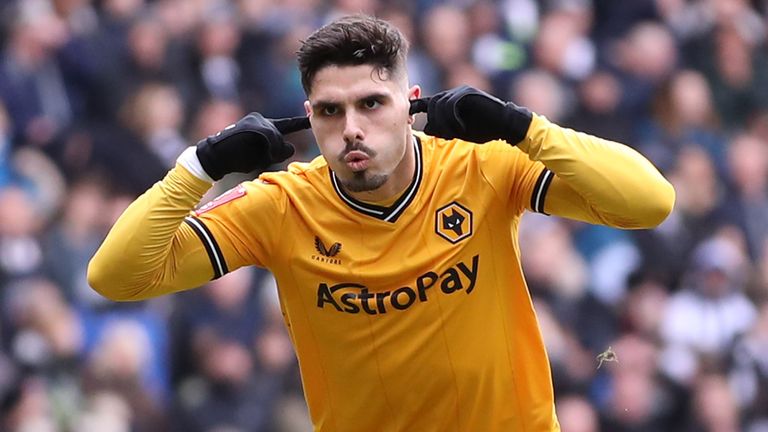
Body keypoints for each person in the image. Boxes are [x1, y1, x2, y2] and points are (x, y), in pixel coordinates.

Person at [88, 14, 675, 432]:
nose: (351, 128)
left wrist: (523, 126)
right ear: (309, 117)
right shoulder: (279, 205)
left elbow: (649, 202)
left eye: (372, 103)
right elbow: (116, 277)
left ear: (411, 102)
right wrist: (201, 165)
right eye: (329, 110)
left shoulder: (483, 169)